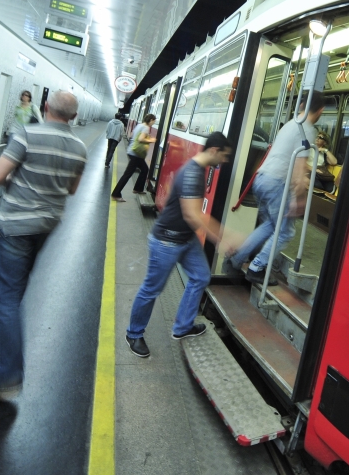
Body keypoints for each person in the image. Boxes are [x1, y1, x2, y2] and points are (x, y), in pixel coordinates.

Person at [0, 90, 87, 401]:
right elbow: (72, 189)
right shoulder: (79, 147)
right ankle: (2, 338)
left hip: (15, 226)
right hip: (46, 227)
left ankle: (4, 378)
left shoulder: (26, 134)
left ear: (46, 107)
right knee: (14, 290)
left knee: (4, 299)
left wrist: (13, 179)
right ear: (73, 117)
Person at [125, 132, 235, 358]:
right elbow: (194, 215)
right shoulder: (193, 173)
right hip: (166, 240)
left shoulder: (198, 169)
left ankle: (182, 327)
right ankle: (133, 334)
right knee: (152, 289)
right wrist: (224, 237)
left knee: (201, 276)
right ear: (214, 151)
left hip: (185, 238)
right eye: (224, 156)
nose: (225, 161)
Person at [230, 90, 324, 285]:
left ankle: (237, 258)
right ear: (321, 110)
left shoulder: (290, 124)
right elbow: (298, 169)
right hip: (276, 183)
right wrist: (299, 198)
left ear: (301, 106)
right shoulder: (307, 129)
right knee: (285, 232)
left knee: (271, 225)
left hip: (262, 179)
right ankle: (257, 267)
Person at [111, 114, 156, 202]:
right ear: (150, 120)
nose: (154, 123)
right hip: (136, 153)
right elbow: (140, 139)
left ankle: (138, 189)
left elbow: (131, 135)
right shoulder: (146, 128)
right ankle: (116, 194)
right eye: (154, 121)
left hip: (133, 151)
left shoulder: (139, 125)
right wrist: (151, 140)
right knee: (127, 174)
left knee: (145, 169)